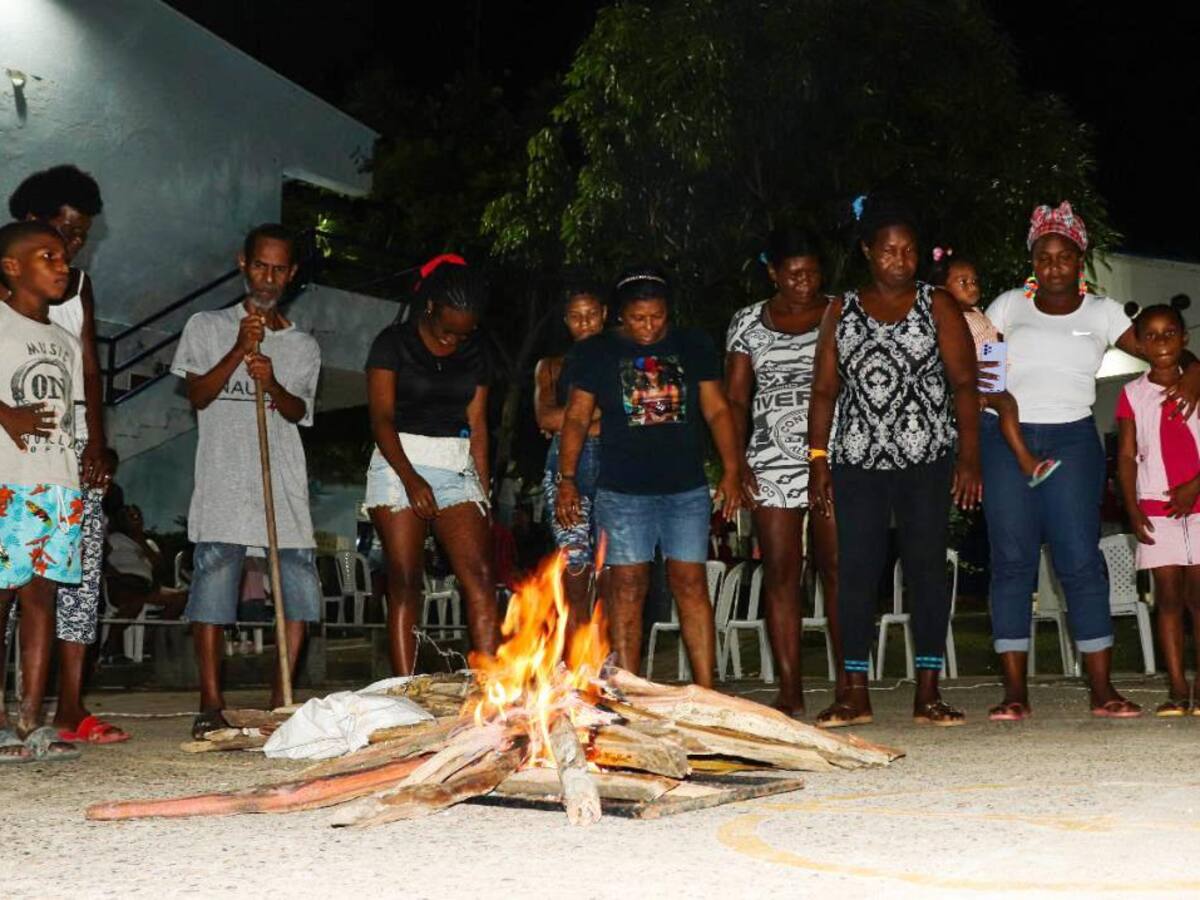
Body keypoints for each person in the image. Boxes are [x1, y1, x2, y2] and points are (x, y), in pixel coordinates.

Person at [980, 201, 1200, 721]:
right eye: (1043, 257)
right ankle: (1015, 693)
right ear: (1032, 260)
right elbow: (987, 381)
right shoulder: (1008, 306)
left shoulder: (1102, 313)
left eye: (1064, 257)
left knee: (1080, 561)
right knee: (1012, 563)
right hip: (1008, 439)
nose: (1053, 266)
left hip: (1074, 440)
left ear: (1081, 259)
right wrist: (993, 439)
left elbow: (1161, 348)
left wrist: (1195, 372)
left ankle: (1102, 691)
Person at [808, 195, 982, 727]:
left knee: (928, 569)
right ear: (868, 252)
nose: (899, 258)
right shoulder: (841, 309)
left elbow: (965, 382)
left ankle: (927, 693)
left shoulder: (938, 305)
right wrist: (818, 460)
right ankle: (853, 693)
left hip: (924, 459)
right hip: (856, 460)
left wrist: (968, 457)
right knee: (855, 572)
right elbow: (823, 390)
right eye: (888, 250)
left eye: (908, 250)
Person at [555, 267, 748, 686]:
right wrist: (566, 478)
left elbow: (716, 409)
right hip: (622, 492)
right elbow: (575, 418)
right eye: (639, 318)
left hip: (686, 489)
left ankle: (706, 688)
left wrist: (733, 469)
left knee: (691, 583)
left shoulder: (693, 345)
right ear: (621, 315)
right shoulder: (595, 352)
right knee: (626, 589)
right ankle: (631, 688)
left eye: (657, 317)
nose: (649, 326)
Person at [171, 224, 322, 738]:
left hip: (281, 483)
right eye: (261, 265)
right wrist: (239, 349)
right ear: (243, 263)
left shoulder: (302, 344)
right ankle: (210, 703)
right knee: (213, 586)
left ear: (292, 274)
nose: (268, 277)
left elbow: (299, 409)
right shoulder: (206, 325)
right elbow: (198, 395)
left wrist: (271, 379)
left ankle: (282, 698)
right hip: (223, 481)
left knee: (297, 588)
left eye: (279, 269)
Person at [6, 165, 122, 742]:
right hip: (12, 439)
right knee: (12, 576)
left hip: (68, 436)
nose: (73, 248)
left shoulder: (77, 286)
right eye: (63, 232)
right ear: (30, 222)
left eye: (81, 238)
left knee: (72, 573)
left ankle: (68, 706)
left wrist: (96, 441)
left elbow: (92, 367)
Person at [724, 227, 842, 718]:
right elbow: (734, 398)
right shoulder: (748, 322)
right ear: (772, 272)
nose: (803, 282)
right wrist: (736, 462)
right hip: (771, 457)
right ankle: (791, 687)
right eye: (793, 274)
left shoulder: (841, 311)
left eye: (812, 273)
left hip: (836, 453)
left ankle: (848, 685)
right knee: (781, 574)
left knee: (839, 571)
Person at [364, 256, 498, 674]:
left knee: (478, 576)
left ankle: (493, 688)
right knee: (405, 579)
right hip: (398, 458)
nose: (454, 340)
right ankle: (404, 686)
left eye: (465, 332)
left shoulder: (476, 351)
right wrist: (410, 478)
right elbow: (381, 418)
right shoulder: (392, 343)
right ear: (430, 308)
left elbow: (478, 425)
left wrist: (482, 487)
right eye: (447, 330)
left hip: (455, 464)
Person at [0, 222, 85, 762]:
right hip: (8, 480)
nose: (61, 264)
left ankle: (33, 719)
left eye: (62, 257)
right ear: (11, 267)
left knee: (42, 598)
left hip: (57, 483)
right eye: (46, 256)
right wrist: (6, 413)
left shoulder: (64, 339)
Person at [1116, 296, 1200, 715]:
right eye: (1151, 335)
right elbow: (1127, 455)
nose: (1162, 341)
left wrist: (1194, 486)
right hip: (1155, 507)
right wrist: (1131, 508)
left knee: (1198, 597)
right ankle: (1177, 688)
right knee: (1166, 597)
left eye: (1170, 333)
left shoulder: (1198, 384)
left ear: (1184, 338)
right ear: (1139, 345)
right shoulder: (1132, 394)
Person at [929, 248, 1057, 486]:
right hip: (980, 378)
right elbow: (952, 356)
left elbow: (990, 337)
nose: (972, 286)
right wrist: (973, 389)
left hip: (994, 369)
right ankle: (1025, 459)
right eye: (963, 282)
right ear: (943, 290)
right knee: (1007, 404)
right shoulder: (952, 318)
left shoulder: (976, 311)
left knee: (1007, 405)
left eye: (974, 281)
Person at [536, 284, 607, 635]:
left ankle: (609, 658)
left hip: (615, 465)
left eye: (592, 315)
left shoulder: (620, 359)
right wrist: (596, 416)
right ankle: (575, 654)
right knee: (575, 563)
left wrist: (579, 419)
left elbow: (635, 415)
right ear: (566, 321)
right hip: (567, 467)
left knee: (614, 566)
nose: (585, 324)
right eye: (576, 317)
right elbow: (545, 419)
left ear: (605, 314)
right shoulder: (550, 367)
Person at [100, 505, 187, 663]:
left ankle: (152, 639)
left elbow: (160, 568)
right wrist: (116, 575)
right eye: (131, 517)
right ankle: (109, 647)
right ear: (122, 520)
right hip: (122, 582)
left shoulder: (149, 543)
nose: (136, 520)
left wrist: (141, 540)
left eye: (137, 516)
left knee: (181, 598)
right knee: (134, 602)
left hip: (147, 586)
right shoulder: (115, 538)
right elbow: (102, 561)